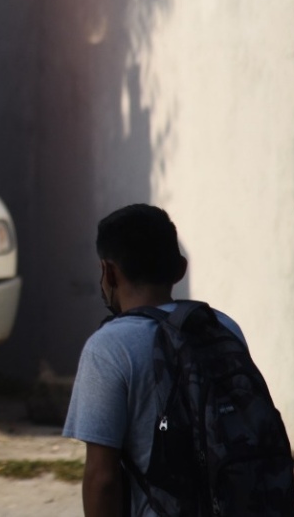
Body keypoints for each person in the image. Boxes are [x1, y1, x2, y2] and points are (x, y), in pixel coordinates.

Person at [63, 204, 248, 517]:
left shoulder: (109, 346)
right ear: (180, 269)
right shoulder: (223, 328)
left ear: (108, 272)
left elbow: (102, 478)